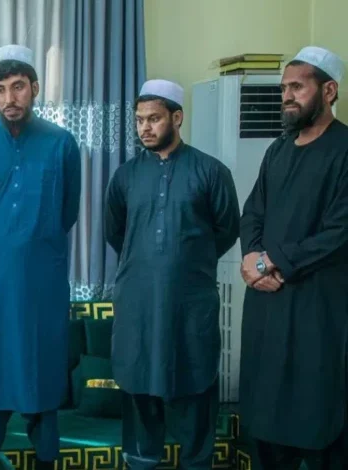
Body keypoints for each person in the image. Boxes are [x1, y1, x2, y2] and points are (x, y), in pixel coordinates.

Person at [0, 44, 81, 470]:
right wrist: (1, 241)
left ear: (35, 88)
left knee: (41, 374)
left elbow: (67, 212)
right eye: (1, 88)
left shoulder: (62, 144)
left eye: (19, 87)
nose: (10, 98)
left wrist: (31, 241)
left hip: (43, 281)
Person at [104, 79, 240, 469]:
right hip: (138, 305)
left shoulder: (210, 171)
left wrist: (186, 264)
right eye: (139, 120)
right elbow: (116, 233)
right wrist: (148, 263)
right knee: (139, 386)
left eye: (154, 119)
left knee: (194, 382)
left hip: (190, 304)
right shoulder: (125, 176)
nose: (144, 128)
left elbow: (227, 229)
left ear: (177, 118)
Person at [239, 46, 348, 469]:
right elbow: (253, 212)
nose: (287, 96)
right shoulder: (278, 150)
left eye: (298, 87)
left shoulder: (344, 149)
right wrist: (252, 257)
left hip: (318, 308)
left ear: (329, 91)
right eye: (284, 88)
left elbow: (339, 232)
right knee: (265, 412)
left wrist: (271, 262)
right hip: (268, 306)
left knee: (317, 412)